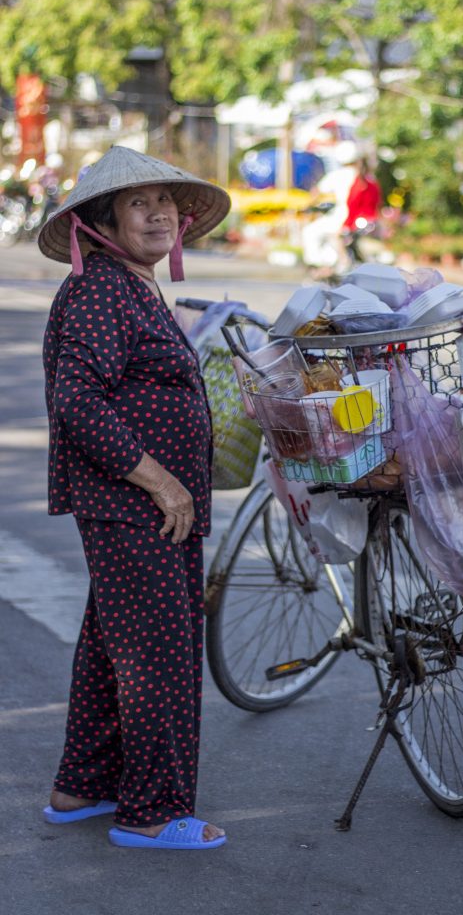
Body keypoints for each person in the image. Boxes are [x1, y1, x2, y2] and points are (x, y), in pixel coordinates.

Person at [38, 146, 231, 850]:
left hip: (147, 509)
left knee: (111, 646)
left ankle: (82, 786)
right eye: (138, 203)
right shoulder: (100, 290)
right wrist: (160, 480)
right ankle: (150, 812)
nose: (159, 214)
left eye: (166, 201)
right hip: (135, 506)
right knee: (158, 656)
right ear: (103, 223)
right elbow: (78, 402)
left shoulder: (131, 285)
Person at [301, 141, 359, 272]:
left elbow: (316, 193)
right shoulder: (364, 176)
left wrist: (307, 205)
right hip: (362, 218)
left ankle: (319, 267)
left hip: (343, 217)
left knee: (310, 231)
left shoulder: (337, 175)